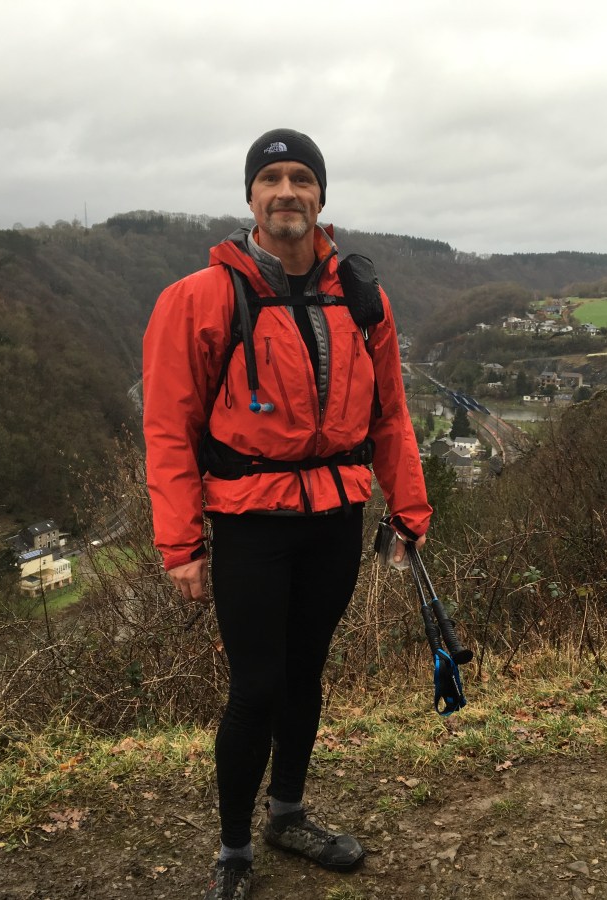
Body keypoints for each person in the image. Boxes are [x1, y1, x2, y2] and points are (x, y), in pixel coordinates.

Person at [142, 128, 432, 900]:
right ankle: (234, 848)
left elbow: (391, 416)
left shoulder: (361, 296)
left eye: (302, 177)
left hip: (336, 515)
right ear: (250, 197)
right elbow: (168, 427)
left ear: (321, 195)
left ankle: (288, 814)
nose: (287, 191)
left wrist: (409, 509)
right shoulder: (199, 299)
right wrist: (181, 544)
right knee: (256, 685)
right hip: (251, 521)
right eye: (270, 179)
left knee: (306, 673)